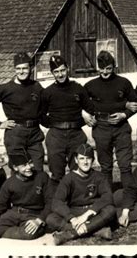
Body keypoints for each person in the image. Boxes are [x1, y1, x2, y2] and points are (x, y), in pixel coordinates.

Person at [0, 53, 45, 171]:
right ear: (14, 70)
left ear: (30, 68)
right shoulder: (6, 88)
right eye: (18, 69)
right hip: (15, 134)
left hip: (35, 134)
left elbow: (46, 104)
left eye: (24, 68)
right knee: (19, 171)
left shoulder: (36, 86)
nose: (22, 71)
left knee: (38, 170)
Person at [85, 50, 137, 188]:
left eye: (108, 68)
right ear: (98, 67)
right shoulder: (90, 85)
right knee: (105, 166)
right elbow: (79, 103)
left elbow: (136, 104)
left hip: (121, 128)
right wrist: (85, 115)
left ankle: (129, 198)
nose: (105, 72)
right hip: (101, 127)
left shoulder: (124, 83)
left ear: (114, 67)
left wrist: (124, 114)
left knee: (125, 165)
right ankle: (107, 198)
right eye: (102, 69)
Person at [0, 151, 53, 245]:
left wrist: (39, 220)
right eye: (24, 165)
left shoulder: (42, 177)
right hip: (14, 213)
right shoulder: (9, 183)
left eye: (30, 163)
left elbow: (51, 201)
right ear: (15, 168)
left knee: (29, 234)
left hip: (34, 214)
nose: (29, 167)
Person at [41, 55, 96, 187]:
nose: (60, 74)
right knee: (56, 173)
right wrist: (55, 124)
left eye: (62, 70)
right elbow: (41, 115)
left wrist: (81, 116)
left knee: (78, 171)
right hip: (56, 136)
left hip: (76, 134)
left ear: (68, 69)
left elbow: (90, 109)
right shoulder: (48, 92)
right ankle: (57, 202)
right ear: (52, 73)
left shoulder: (78, 89)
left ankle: (77, 202)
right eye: (56, 72)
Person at [46, 144, 116, 245]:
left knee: (110, 210)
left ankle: (70, 234)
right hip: (75, 212)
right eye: (81, 158)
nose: (85, 162)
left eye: (88, 158)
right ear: (76, 160)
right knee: (51, 218)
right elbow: (57, 202)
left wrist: (88, 214)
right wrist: (72, 219)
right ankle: (96, 230)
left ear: (93, 160)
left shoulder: (99, 176)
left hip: (93, 212)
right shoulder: (69, 178)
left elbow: (107, 196)